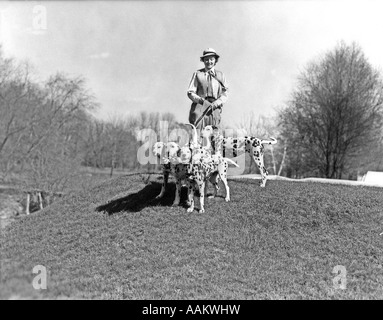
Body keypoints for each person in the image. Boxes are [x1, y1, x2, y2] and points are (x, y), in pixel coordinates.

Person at [187, 48, 228, 130]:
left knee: (213, 131)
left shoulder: (221, 75)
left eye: (211, 59)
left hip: (214, 106)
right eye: (206, 59)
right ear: (203, 61)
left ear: (215, 60)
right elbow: (190, 92)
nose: (209, 62)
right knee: (197, 127)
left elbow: (225, 94)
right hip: (200, 105)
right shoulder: (197, 74)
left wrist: (217, 103)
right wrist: (200, 100)